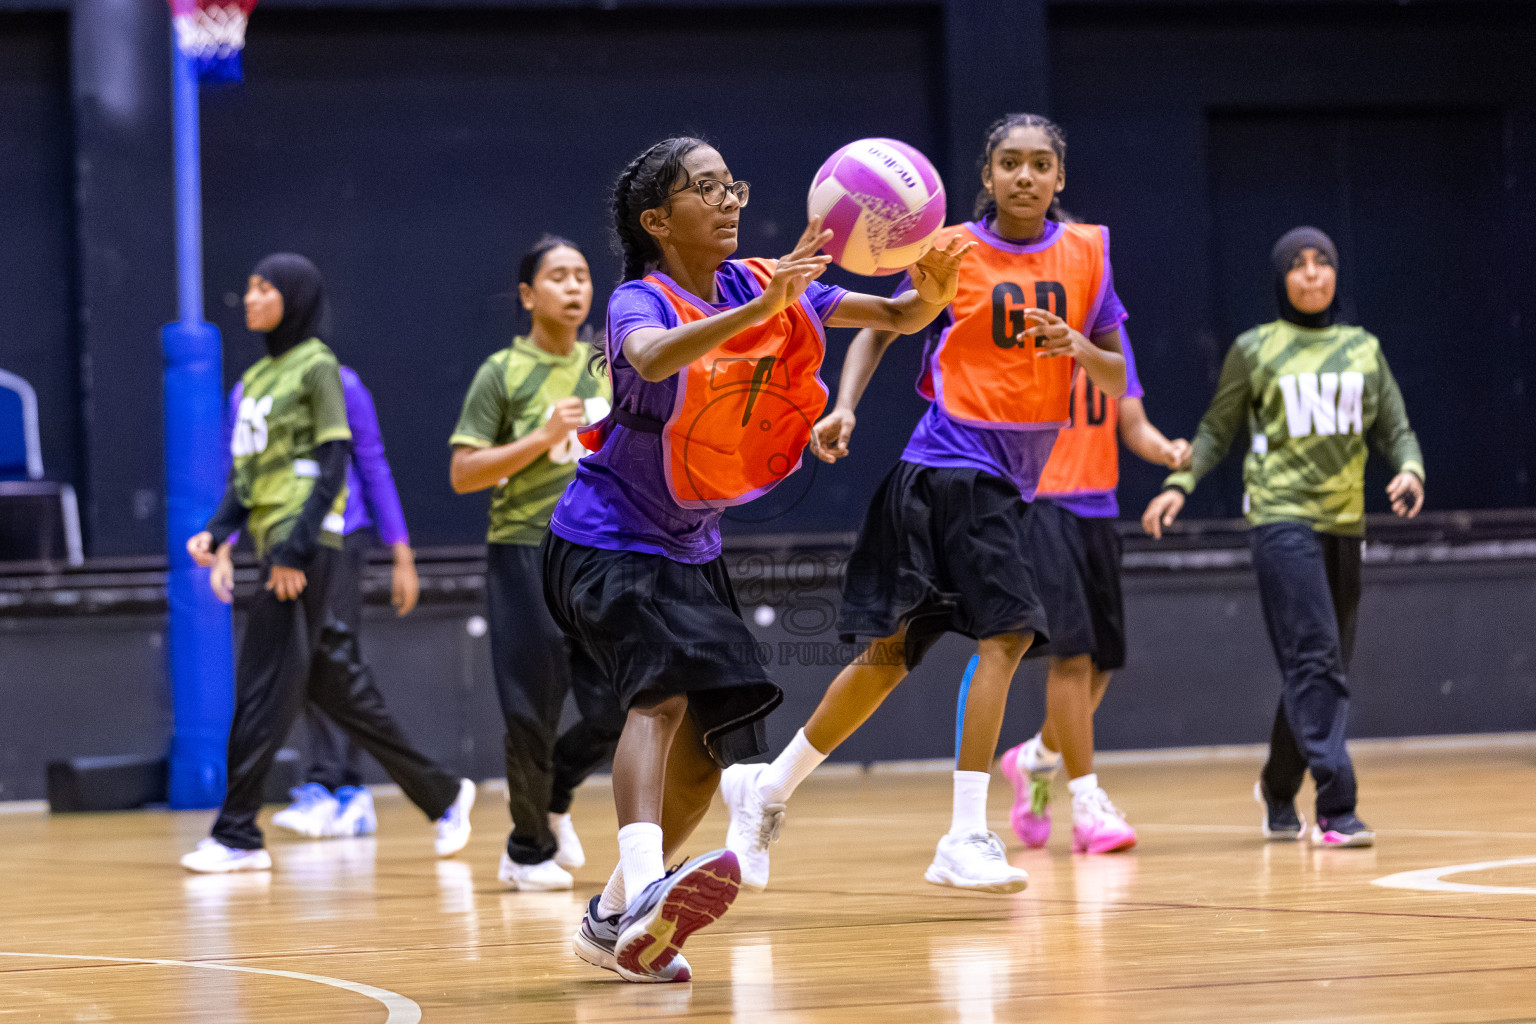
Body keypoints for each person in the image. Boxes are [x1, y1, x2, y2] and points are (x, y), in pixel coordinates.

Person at [544, 137, 969, 982]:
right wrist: (763, 309)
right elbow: (651, 355)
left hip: (690, 548)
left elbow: (893, 319)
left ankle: (613, 915)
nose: (729, 200)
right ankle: (648, 885)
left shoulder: (761, 280)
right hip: (603, 538)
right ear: (658, 220)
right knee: (659, 700)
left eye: (730, 184)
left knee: (708, 753)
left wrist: (933, 293)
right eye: (705, 189)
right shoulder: (639, 299)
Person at [721, 113, 1129, 894]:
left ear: (1059, 178)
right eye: (1009, 162)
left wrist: (1076, 347)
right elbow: (883, 327)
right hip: (952, 467)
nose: (1024, 176)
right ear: (987, 175)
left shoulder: (1087, 254)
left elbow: (1113, 377)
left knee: (887, 659)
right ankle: (966, 834)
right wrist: (845, 405)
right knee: (1009, 633)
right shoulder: (953, 251)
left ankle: (767, 788)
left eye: (1040, 164)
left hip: (998, 481)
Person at [182, 253, 475, 873]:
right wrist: (218, 533)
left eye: (264, 288)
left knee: (263, 688)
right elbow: (246, 477)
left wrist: (297, 550)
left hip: (307, 548)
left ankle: (237, 834)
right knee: (334, 681)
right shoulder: (255, 380)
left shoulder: (320, 369)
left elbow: (340, 462)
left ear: (294, 298)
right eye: (250, 287)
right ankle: (442, 792)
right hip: (277, 544)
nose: (250, 298)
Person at [1141, 226, 1425, 848]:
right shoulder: (1256, 348)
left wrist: (1410, 469)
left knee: (1320, 665)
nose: (1312, 273)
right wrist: (1179, 485)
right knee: (1317, 658)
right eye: (1297, 264)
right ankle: (1337, 808)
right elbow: (1216, 430)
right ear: (1281, 279)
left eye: (1322, 262)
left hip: (1344, 521)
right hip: (1279, 518)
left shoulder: (1364, 350)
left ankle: (1276, 786)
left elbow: (1396, 430)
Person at [449, 235, 623, 892]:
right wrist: (542, 437)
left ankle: (554, 793)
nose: (574, 287)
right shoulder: (501, 372)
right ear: (528, 295)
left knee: (620, 704)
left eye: (582, 275)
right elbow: (464, 472)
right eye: (558, 276)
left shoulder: (607, 367)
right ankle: (526, 849)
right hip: (524, 550)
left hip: (598, 552)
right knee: (532, 707)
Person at [986, 326, 1189, 856]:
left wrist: (1165, 450)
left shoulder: (1110, 335)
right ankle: (1086, 806)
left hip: (1098, 511)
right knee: (1071, 656)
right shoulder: (1026, 325)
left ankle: (1035, 759)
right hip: (1041, 506)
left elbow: (1133, 423)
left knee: (1101, 664)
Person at [218, 364, 421, 841]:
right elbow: (240, 474)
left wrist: (401, 552)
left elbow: (372, 462)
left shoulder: (343, 384)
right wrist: (223, 545)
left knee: (330, 657)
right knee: (296, 661)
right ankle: (336, 787)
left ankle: (337, 786)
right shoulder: (248, 389)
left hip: (338, 538)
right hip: (279, 541)